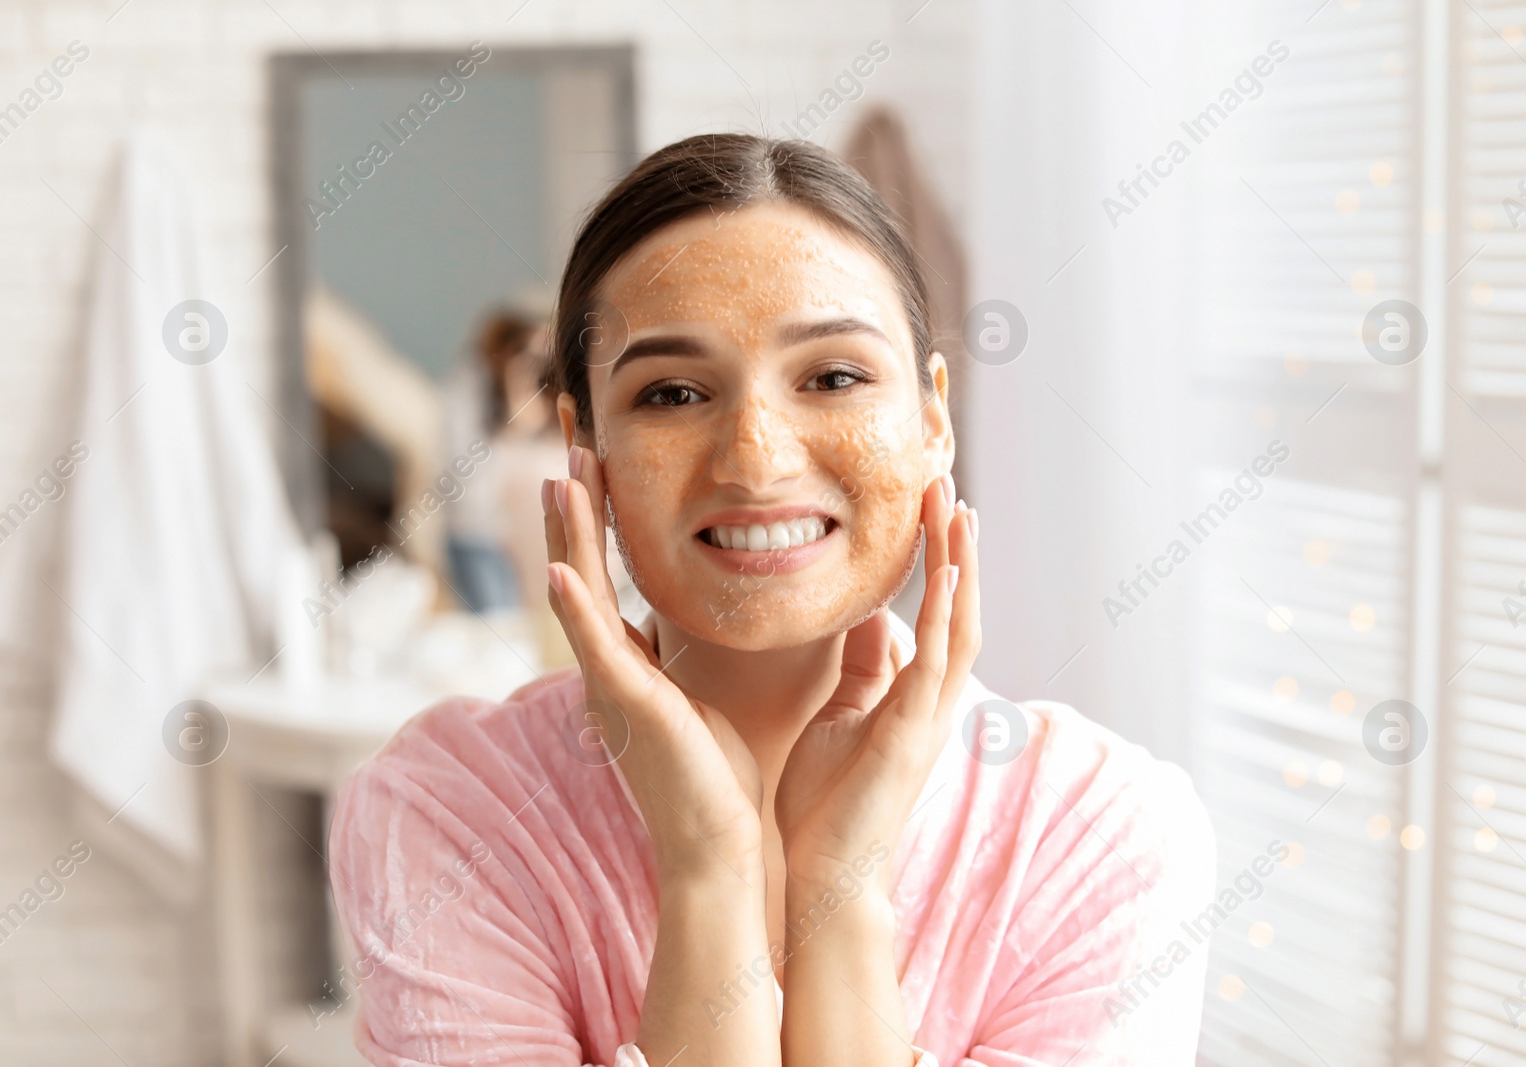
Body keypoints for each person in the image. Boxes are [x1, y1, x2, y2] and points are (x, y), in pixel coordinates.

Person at [328, 133, 1216, 1066]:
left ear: (932, 419)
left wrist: (842, 887)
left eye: (835, 377)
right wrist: (707, 862)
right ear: (581, 448)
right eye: (671, 392)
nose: (755, 457)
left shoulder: (1099, 834)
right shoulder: (448, 812)